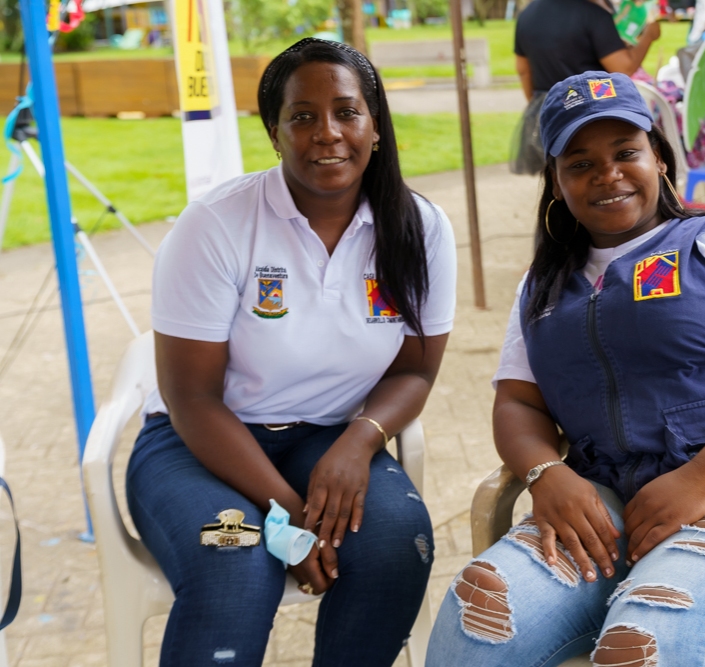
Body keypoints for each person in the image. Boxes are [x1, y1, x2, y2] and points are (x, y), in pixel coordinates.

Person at [426, 71, 705, 666]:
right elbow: (518, 403)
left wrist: (704, 478)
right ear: (556, 182)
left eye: (626, 152)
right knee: (479, 613)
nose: (608, 174)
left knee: (644, 643)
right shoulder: (541, 287)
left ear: (660, 160)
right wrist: (546, 473)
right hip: (610, 501)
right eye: (580, 163)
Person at [125, 38, 457, 666]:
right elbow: (191, 397)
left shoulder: (420, 228)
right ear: (274, 133)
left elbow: (416, 369)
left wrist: (360, 441)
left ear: (376, 124)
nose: (327, 133)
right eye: (302, 116)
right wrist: (288, 515)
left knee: (394, 544)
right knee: (237, 561)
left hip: (326, 438)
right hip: (195, 445)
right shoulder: (216, 225)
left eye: (347, 111)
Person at [510, 0, 662, 174]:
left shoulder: (527, 14)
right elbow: (623, 67)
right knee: (597, 175)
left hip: (545, 108)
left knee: (560, 174)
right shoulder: (593, 14)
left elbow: (523, 70)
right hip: (591, 112)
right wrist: (649, 35)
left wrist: (543, 108)